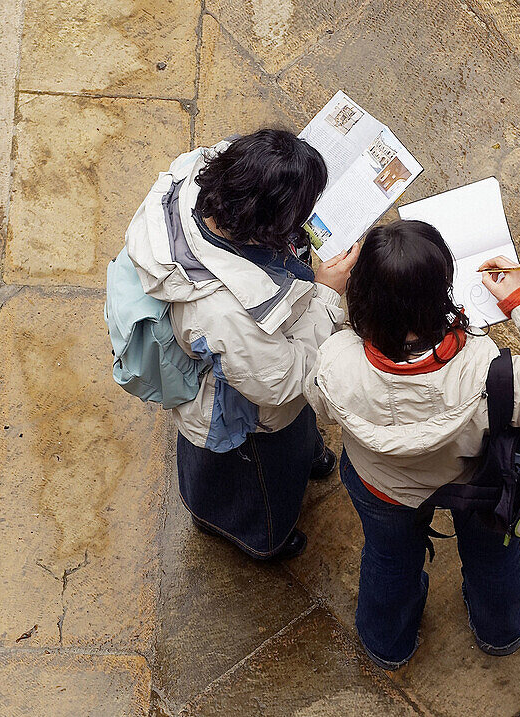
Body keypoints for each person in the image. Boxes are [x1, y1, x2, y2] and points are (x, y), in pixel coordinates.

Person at [305, 219, 520, 668]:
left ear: (361, 295)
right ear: (441, 291)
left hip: (381, 486)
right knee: (493, 556)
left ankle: (388, 646)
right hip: (478, 485)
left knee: (388, 560)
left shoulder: (334, 357)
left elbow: (321, 408)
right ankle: (501, 633)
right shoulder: (489, 370)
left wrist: (326, 296)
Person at [124, 129, 359, 560]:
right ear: (266, 225)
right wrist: (326, 293)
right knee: (258, 487)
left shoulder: (205, 175)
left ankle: (306, 458)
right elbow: (282, 383)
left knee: (296, 441)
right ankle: (259, 538)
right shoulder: (221, 312)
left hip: (254, 363)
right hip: (242, 415)